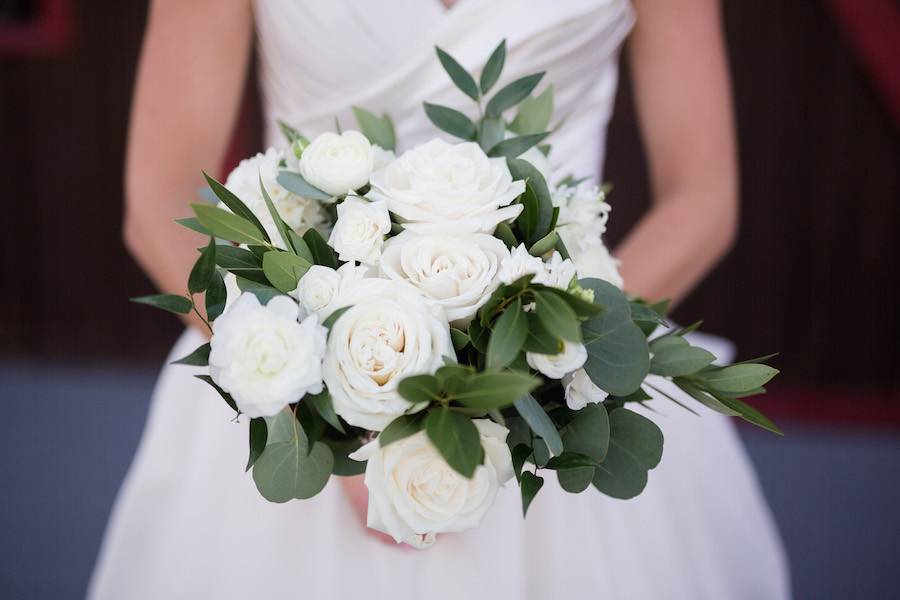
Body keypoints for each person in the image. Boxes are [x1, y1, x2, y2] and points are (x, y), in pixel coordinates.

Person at [90, 0, 789, 597]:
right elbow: (159, 201)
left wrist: (550, 366)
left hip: (554, 386)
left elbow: (704, 194)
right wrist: (322, 406)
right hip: (292, 385)